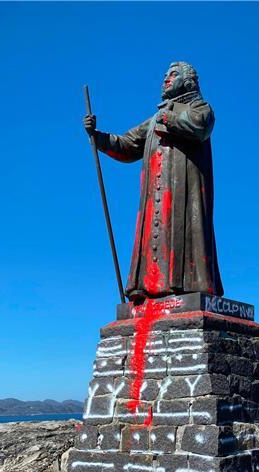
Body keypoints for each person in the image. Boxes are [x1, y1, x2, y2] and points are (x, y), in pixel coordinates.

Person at [83, 61, 223, 302]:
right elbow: (127, 144)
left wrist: (167, 117)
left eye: (173, 74)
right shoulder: (155, 118)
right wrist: (98, 137)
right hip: (155, 194)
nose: (166, 79)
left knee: (185, 233)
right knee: (152, 232)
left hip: (184, 192)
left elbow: (200, 126)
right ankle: (147, 286)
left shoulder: (199, 106)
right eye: (165, 75)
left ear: (187, 81)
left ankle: (187, 286)